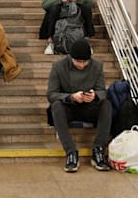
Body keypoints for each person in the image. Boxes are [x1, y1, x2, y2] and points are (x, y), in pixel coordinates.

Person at [47, 39, 112, 172]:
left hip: (88, 107)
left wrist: (95, 96)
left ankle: (98, 150)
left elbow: (102, 91)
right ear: (71, 58)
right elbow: (52, 94)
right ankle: (71, 152)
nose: (82, 65)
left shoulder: (97, 66)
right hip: (69, 107)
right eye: (78, 62)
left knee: (106, 105)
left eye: (85, 62)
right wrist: (71, 97)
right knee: (56, 106)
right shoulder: (59, 66)